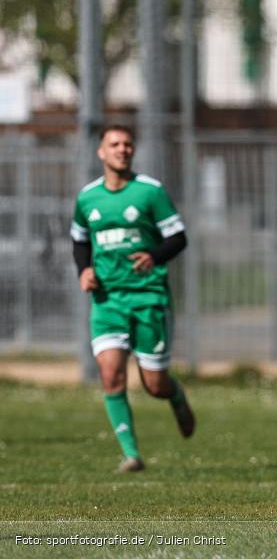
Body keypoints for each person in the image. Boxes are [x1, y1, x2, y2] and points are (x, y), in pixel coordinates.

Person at [71, 125, 195, 473]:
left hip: (148, 298)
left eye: (127, 144)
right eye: (114, 144)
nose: (122, 149)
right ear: (101, 152)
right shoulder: (87, 198)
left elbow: (178, 238)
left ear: (133, 151)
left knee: (154, 385)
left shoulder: (150, 191)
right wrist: (84, 270)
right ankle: (131, 455)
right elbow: (80, 240)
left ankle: (175, 395)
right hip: (107, 300)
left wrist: (154, 256)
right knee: (111, 375)